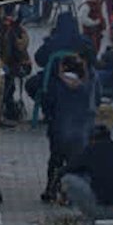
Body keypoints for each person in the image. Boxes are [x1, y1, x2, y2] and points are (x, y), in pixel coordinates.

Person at [42, 53, 98, 201]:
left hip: (58, 131)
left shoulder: (56, 83)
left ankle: (51, 189)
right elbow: (95, 102)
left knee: (55, 161)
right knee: (76, 164)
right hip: (80, 133)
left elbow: (47, 103)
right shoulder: (87, 86)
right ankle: (72, 193)